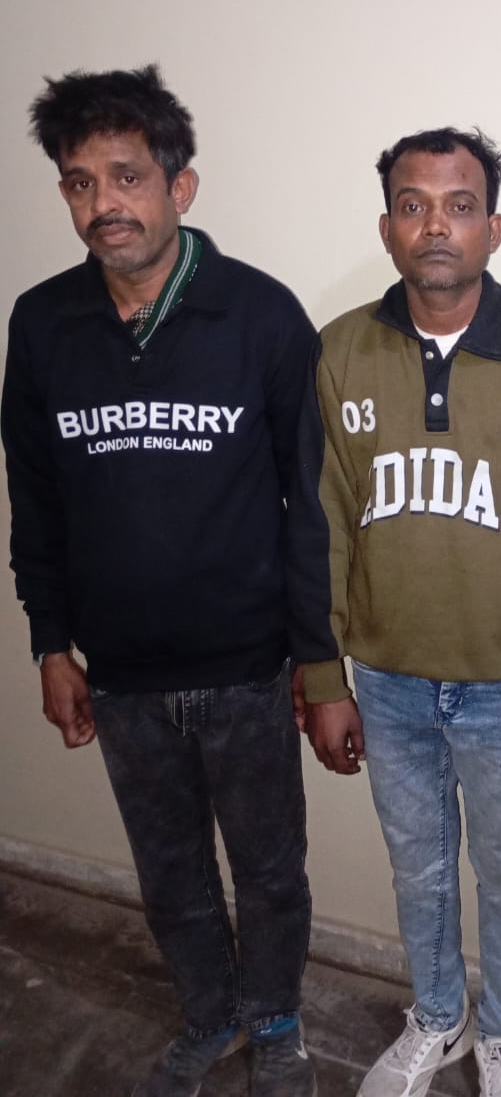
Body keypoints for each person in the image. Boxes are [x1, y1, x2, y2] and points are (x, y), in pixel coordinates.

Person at [1, 66, 318, 1097]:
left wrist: (315, 660)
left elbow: (311, 504)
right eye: (79, 182)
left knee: (268, 871)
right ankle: (208, 1011)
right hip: (122, 676)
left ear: (180, 186)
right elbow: (34, 497)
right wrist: (51, 642)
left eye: (126, 176)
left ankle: (275, 1020)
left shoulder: (262, 315)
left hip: (248, 669)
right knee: (170, 872)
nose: (104, 204)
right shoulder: (42, 322)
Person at [286, 127, 501, 1097]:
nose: (435, 225)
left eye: (459, 205)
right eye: (413, 205)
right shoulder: (338, 350)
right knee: (418, 868)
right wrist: (322, 677)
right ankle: (438, 1013)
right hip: (385, 679)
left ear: (493, 227)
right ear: (387, 226)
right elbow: (317, 521)